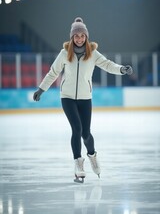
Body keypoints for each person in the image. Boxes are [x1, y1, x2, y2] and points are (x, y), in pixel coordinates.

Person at [33, 17, 133, 181]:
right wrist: (41, 88)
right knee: (77, 129)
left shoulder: (92, 53)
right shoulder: (65, 53)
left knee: (86, 133)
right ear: (72, 37)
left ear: (86, 37)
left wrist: (121, 69)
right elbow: (53, 72)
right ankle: (78, 163)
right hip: (67, 97)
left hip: (85, 98)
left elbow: (107, 65)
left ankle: (92, 156)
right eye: (76, 36)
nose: (79, 39)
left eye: (82, 35)